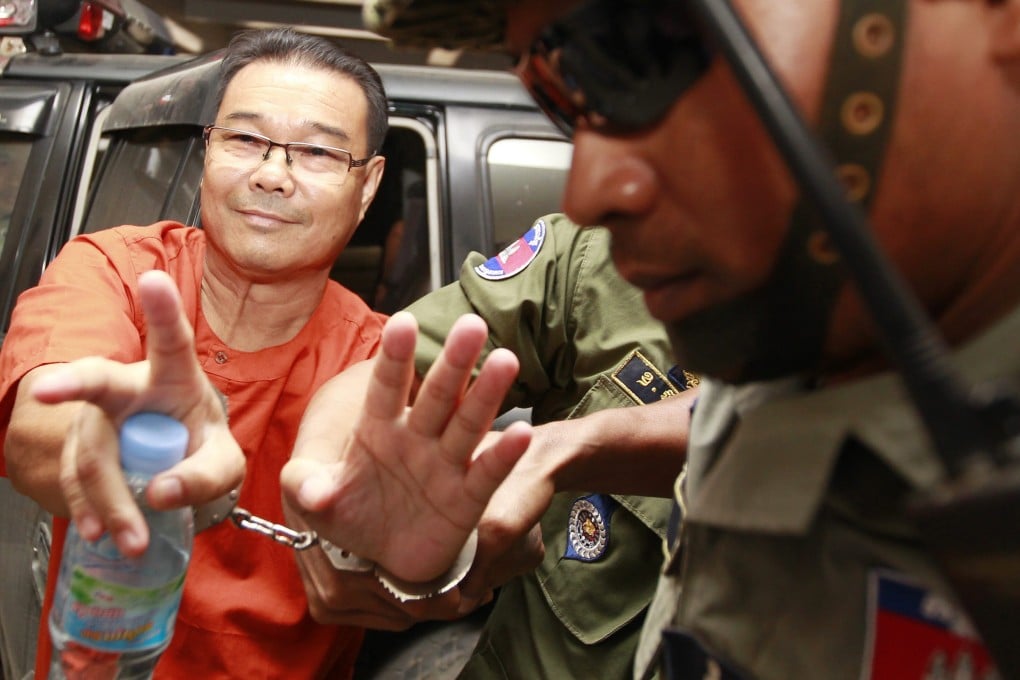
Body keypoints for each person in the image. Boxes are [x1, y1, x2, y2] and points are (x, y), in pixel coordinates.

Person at [279, 1, 1020, 679]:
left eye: (643, 51)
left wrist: (578, 446)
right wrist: (328, 491)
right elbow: (395, 368)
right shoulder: (786, 318)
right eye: (563, 93)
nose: (589, 193)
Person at [0, 26, 468, 680]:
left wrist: (438, 569)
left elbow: (447, 534)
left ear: (367, 188)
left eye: (316, 153)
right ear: (206, 153)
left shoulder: (379, 364)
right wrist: (117, 443)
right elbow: (36, 432)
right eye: (245, 139)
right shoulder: (115, 271)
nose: (272, 175)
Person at [325, 212, 699, 679]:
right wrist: (319, 477)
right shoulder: (602, 256)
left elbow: (777, 422)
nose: (586, 187)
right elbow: (388, 373)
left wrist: (568, 451)